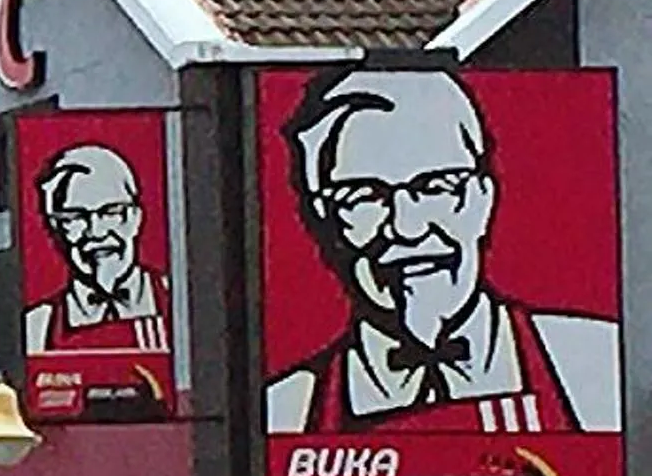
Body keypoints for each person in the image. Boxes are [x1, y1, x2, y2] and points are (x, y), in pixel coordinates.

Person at [265, 66, 620, 436]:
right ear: (324, 220)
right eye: (364, 196)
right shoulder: (286, 411)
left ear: (483, 199)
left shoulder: (595, 365)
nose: (407, 227)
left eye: (436, 187)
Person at [23, 141, 168, 358]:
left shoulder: (176, 299)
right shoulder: (38, 325)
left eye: (111, 212)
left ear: (136, 218)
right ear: (56, 228)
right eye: (76, 217)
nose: (96, 232)